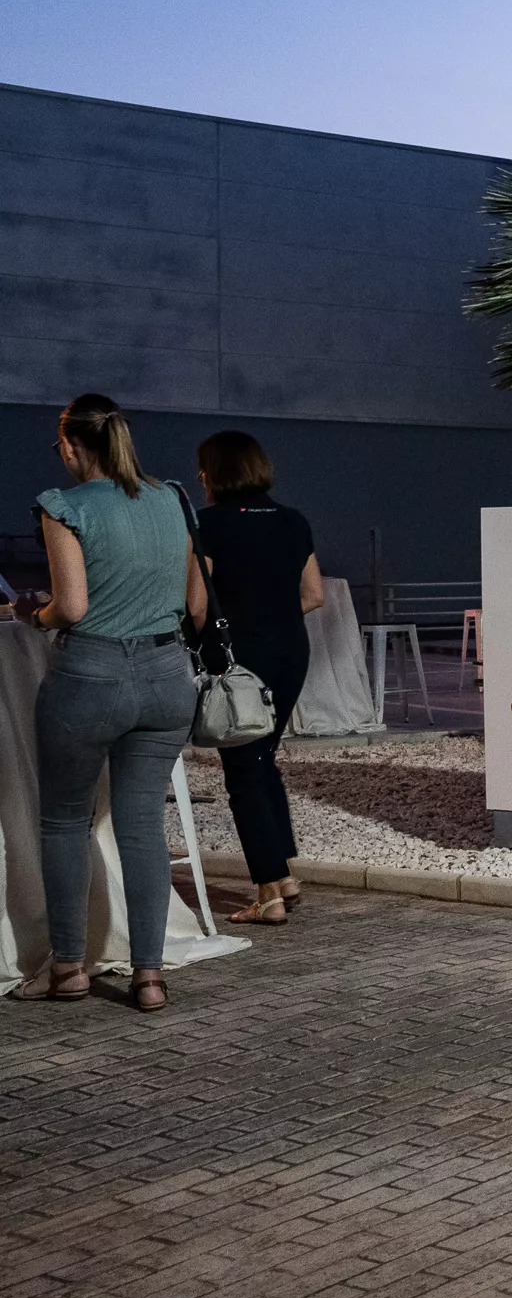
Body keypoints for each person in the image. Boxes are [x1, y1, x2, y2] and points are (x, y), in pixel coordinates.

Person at [6, 396, 205, 1012]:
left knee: (64, 822)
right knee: (142, 825)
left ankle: (68, 967)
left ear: (69, 446)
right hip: (168, 673)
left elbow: (71, 607)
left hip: (90, 675)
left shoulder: (63, 506)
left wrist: (29, 615)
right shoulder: (173, 497)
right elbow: (196, 604)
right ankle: (149, 977)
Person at [190, 431, 324, 928]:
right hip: (291, 654)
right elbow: (313, 595)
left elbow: (197, 605)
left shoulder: (208, 524)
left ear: (217, 473)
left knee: (243, 772)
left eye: (204, 469)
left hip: (239, 663)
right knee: (263, 759)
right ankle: (284, 874)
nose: (201, 478)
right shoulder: (293, 520)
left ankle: (267, 892)